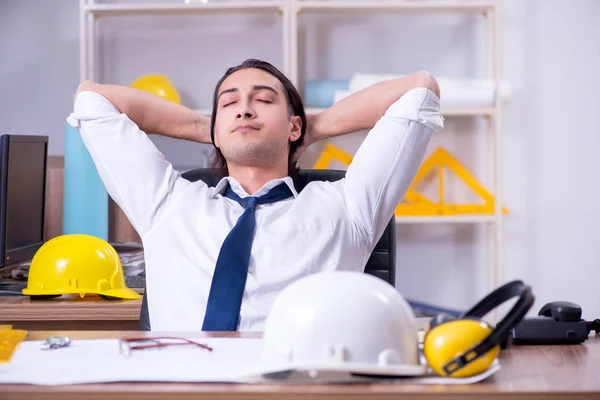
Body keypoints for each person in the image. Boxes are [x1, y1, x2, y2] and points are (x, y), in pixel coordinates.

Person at [67, 59, 444, 332]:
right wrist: (208, 126)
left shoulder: (348, 206)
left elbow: (419, 88)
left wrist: (311, 129)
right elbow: (91, 99)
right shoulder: (166, 203)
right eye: (229, 104)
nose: (244, 109)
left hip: (298, 388)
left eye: (263, 100)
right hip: (181, 385)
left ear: (294, 124)